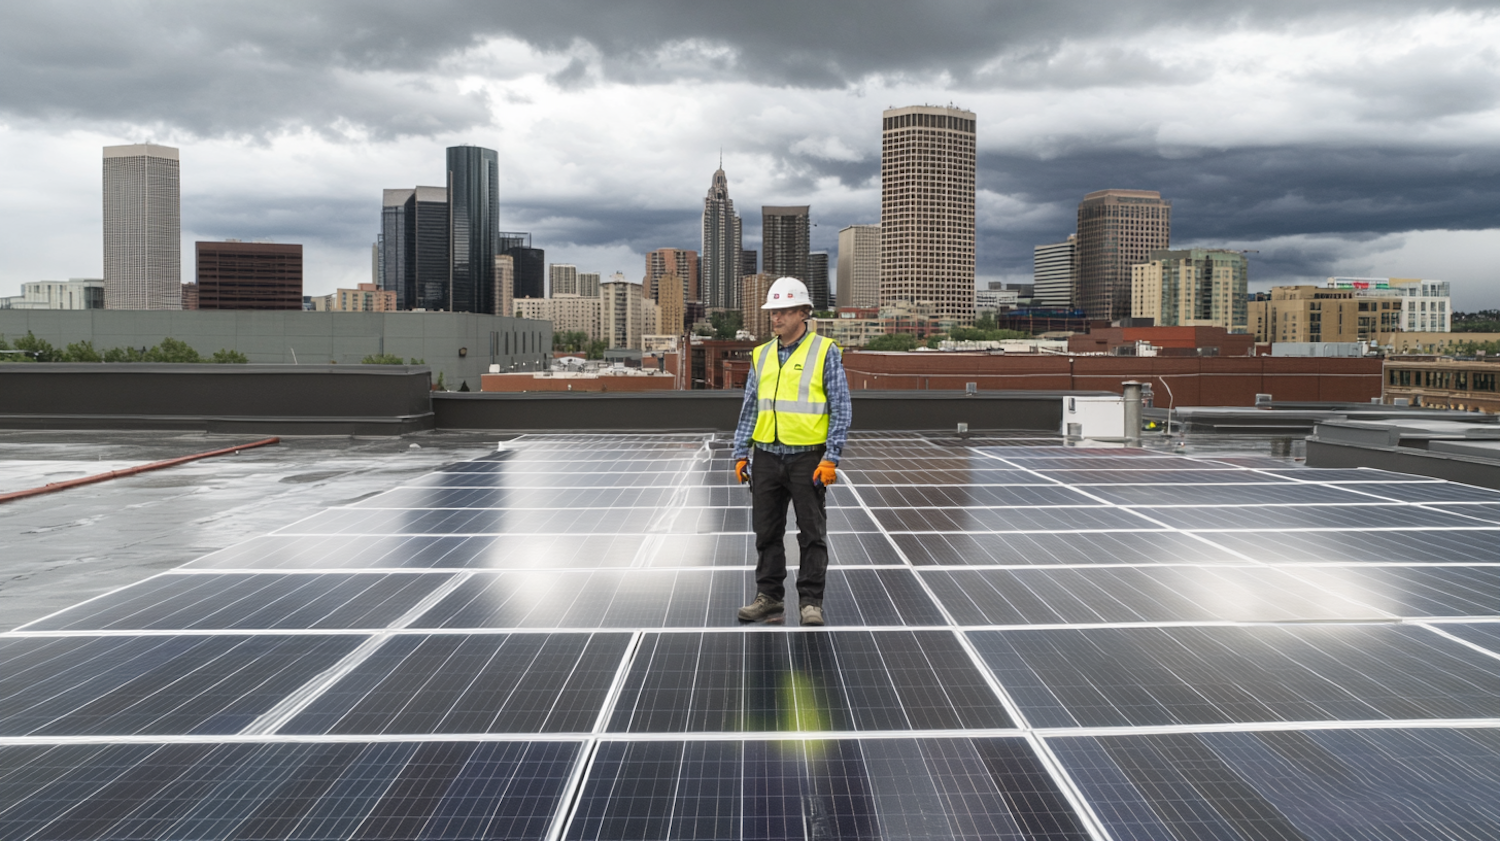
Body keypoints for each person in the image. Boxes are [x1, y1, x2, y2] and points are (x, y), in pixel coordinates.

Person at [732, 277, 852, 626]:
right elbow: (750, 407)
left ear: (803, 312)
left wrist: (831, 457)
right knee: (766, 531)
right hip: (767, 457)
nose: (776, 318)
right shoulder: (762, 354)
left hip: (808, 458)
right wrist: (741, 453)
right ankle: (769, 598)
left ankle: (811, 602)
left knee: (811, 534)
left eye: (784, 311)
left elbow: (840, 408)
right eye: (773, 312)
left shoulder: (824, 351)